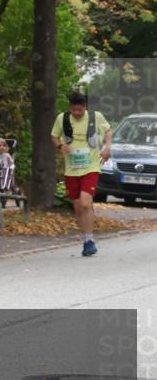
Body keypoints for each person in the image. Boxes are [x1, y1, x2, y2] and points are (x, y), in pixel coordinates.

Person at [51, 91, 112, 256]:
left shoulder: (95, 117)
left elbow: (108, 131)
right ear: (70, 107)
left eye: (80, 110)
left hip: (91, 165)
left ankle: (90, 239)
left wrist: (107, 147)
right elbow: (54, 137)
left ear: (85, 107)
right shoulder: (62, 118)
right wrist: (60, 146)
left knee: (85, 203)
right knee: (78, 206)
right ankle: (86, 240)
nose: (77, 113)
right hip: (72, 168)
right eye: (73, 110)